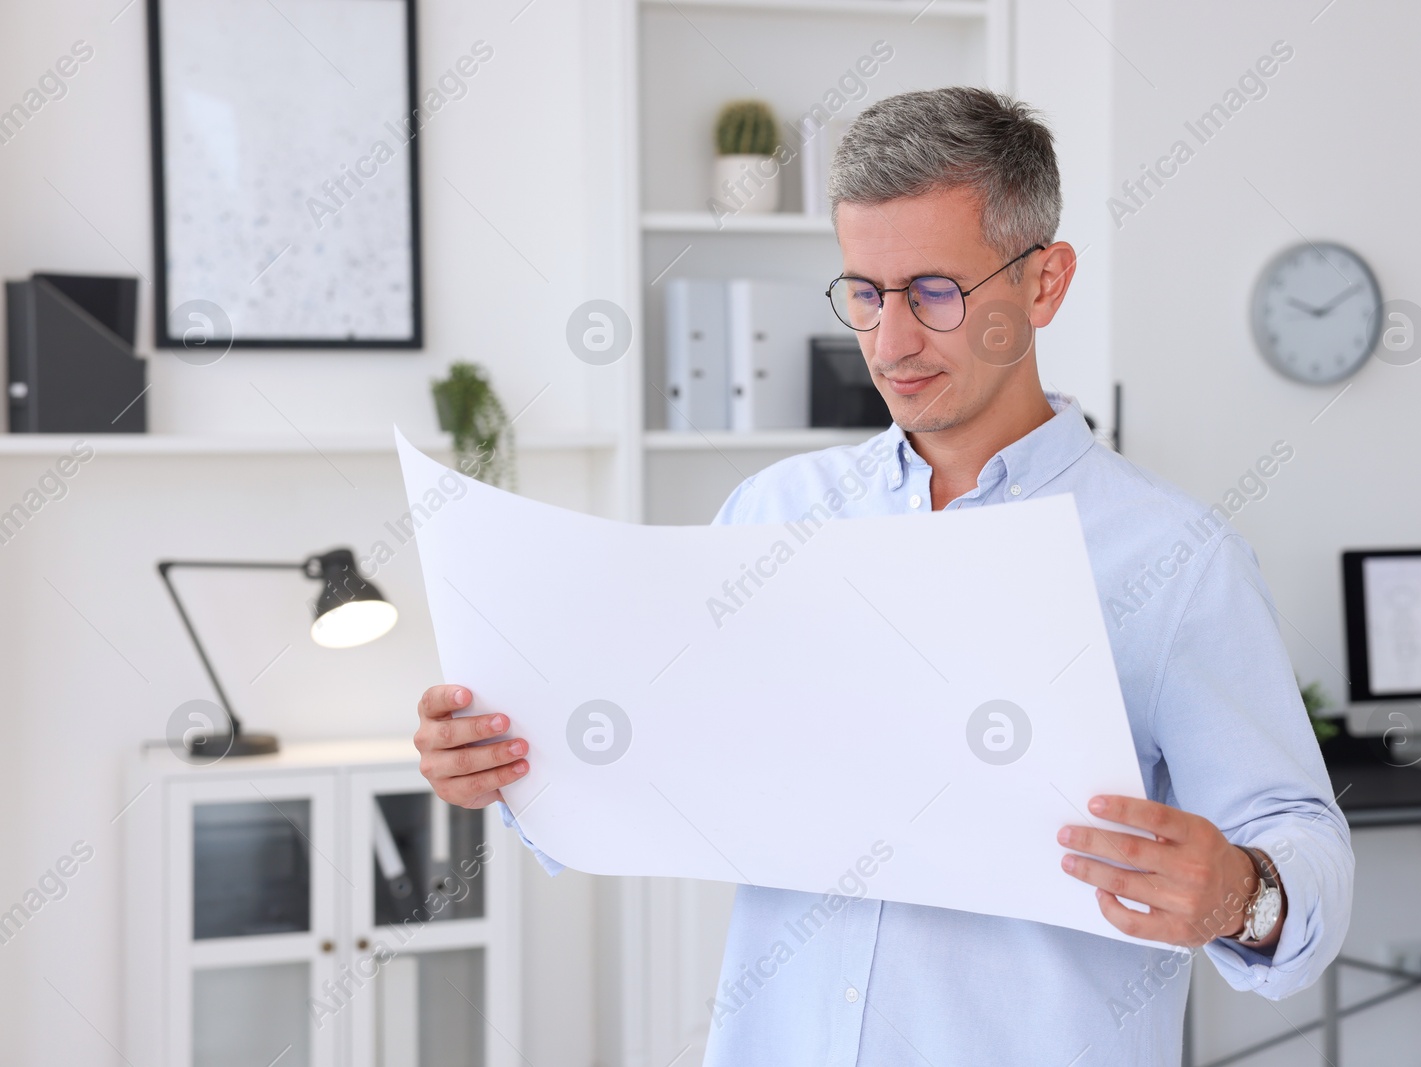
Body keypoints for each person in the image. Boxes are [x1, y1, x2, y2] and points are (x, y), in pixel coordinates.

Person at [414, 86, 1353, 1065]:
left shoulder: (1176, 558)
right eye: (863, 291)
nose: (890, 340)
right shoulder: (772, 516)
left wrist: (1241, 891)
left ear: (1044, 282)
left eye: (934, 292)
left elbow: (1304, 849)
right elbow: (648, 776)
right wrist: (510, 761)